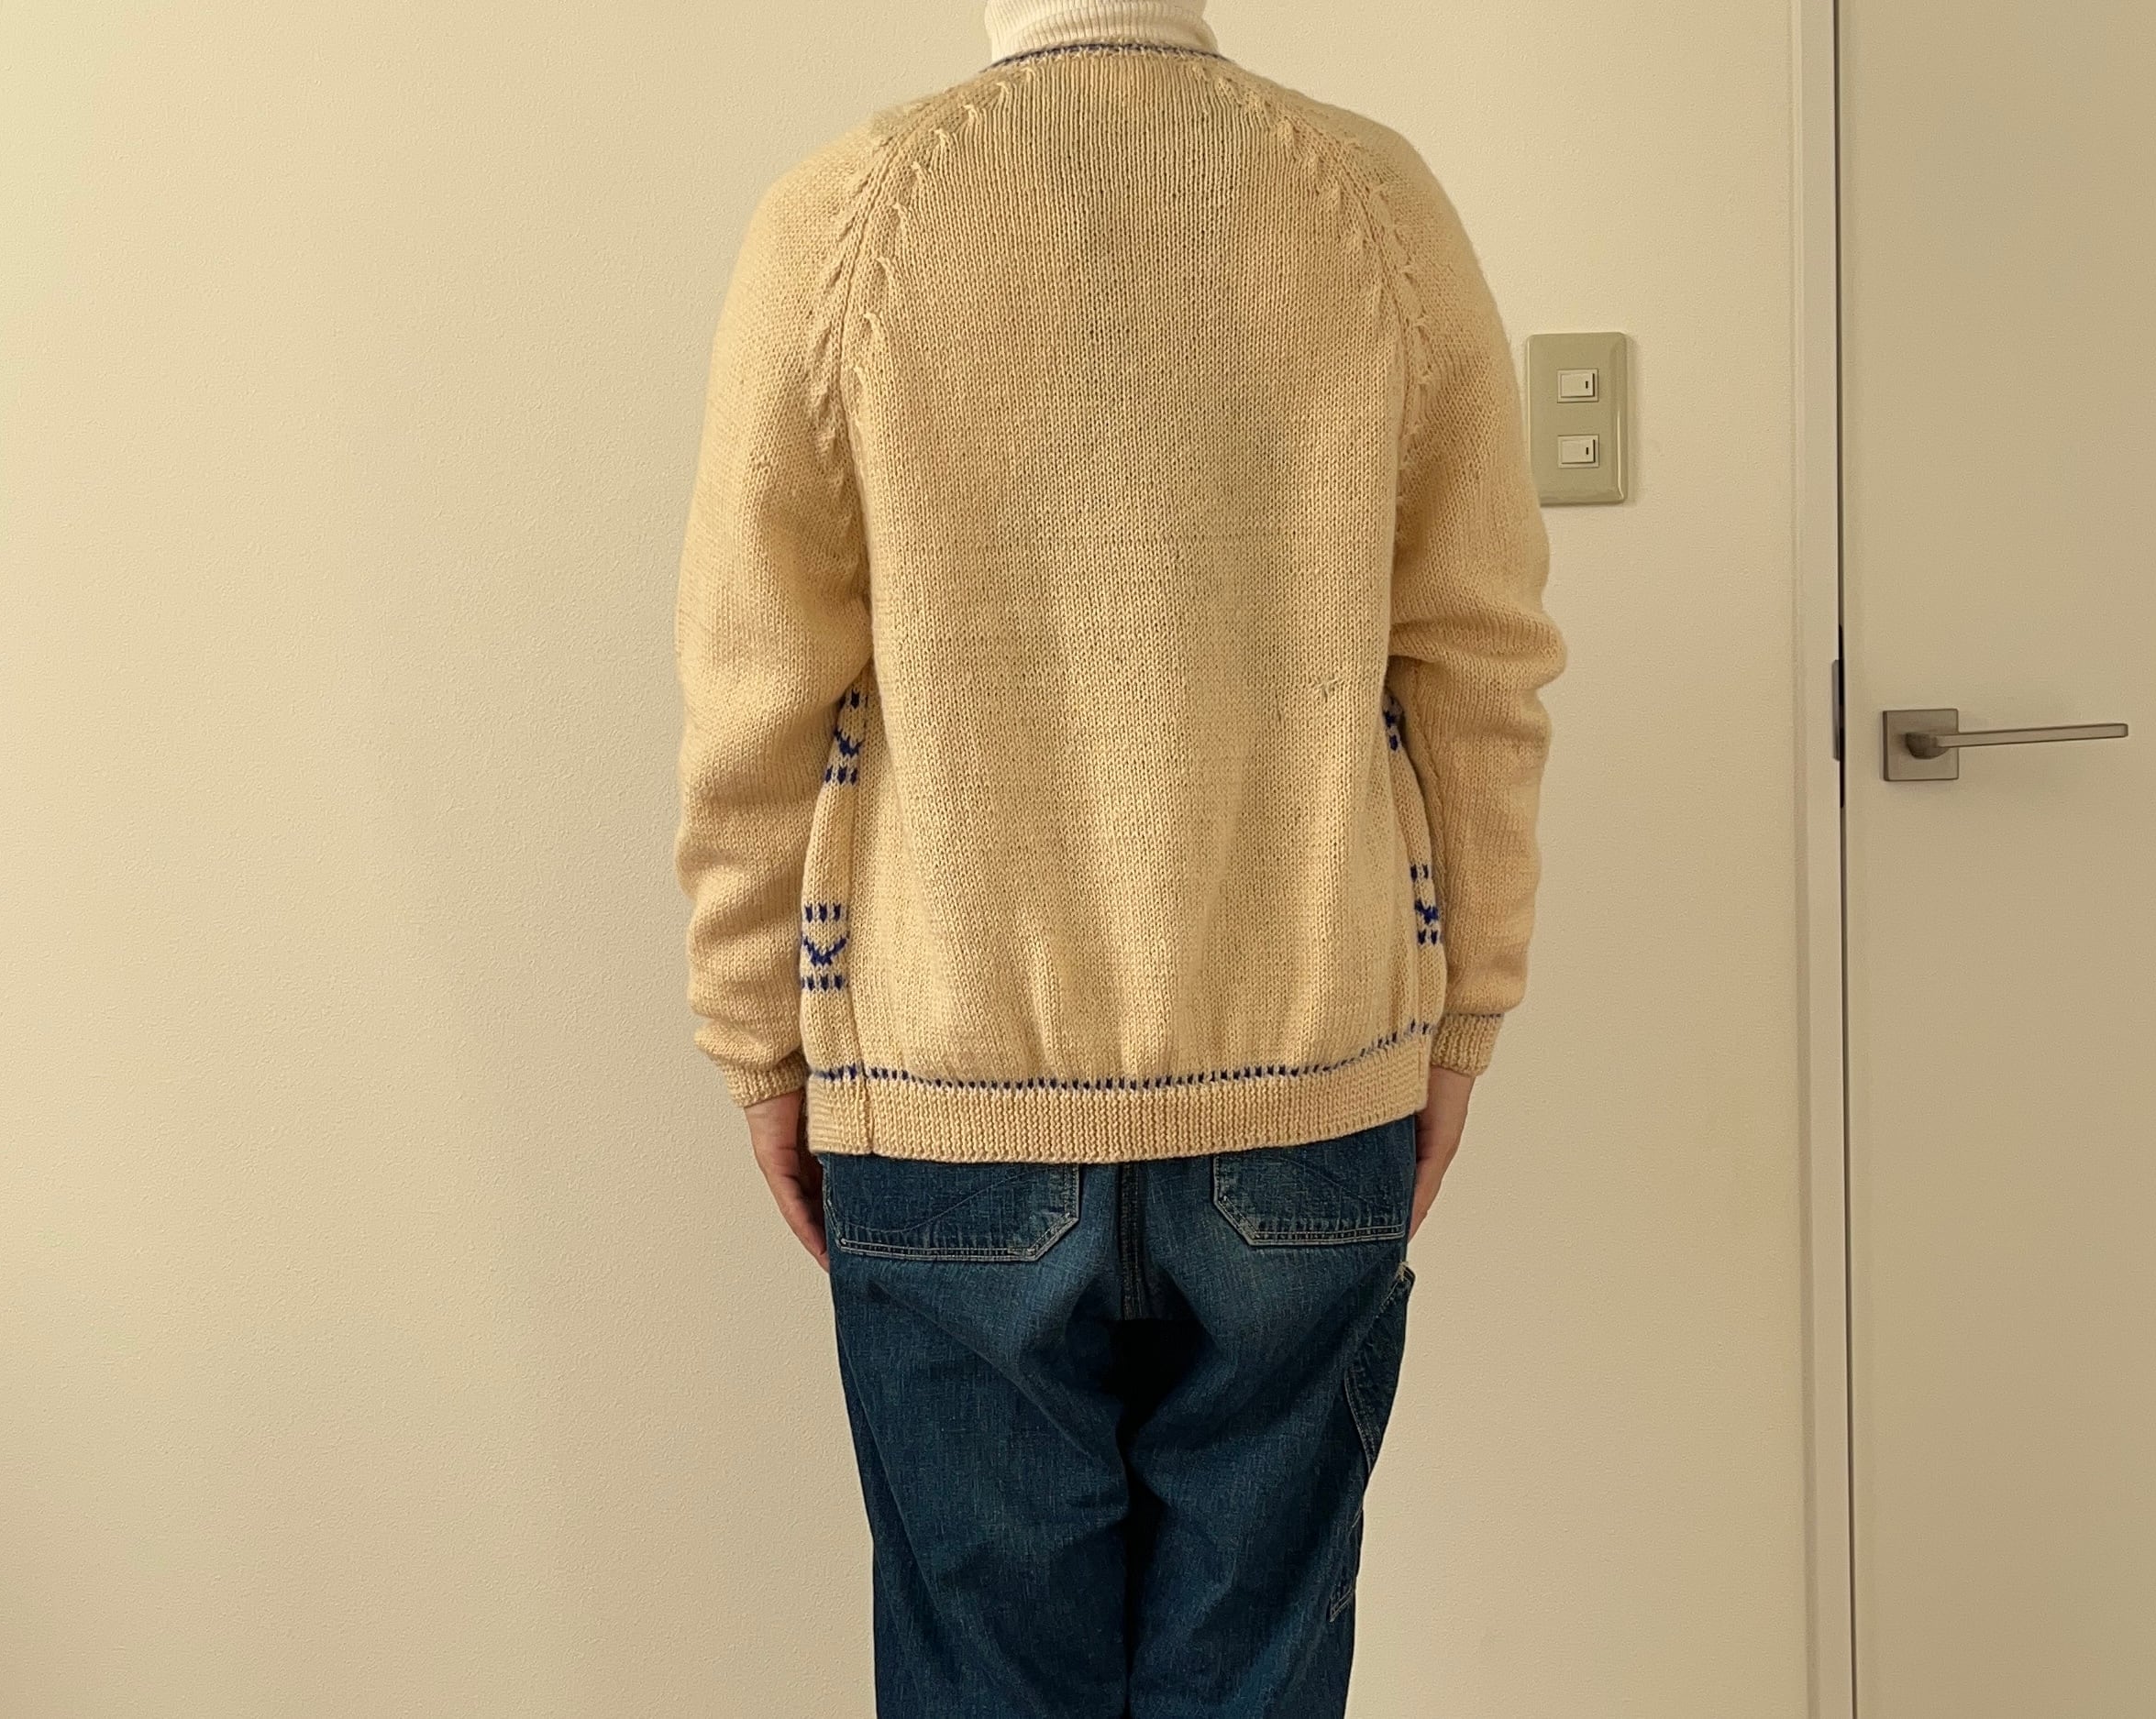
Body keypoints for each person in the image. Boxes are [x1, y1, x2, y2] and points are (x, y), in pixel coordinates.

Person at [670, 1, 1566, 1710]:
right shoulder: (1373, 200)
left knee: (986, 1680)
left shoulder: (842, 216)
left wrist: (753, 1039)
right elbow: (1478, 663)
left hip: (943, 1090)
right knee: (1258, 1674)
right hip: (1310, 1077)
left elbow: (751, 690)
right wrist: (1466, 1015)